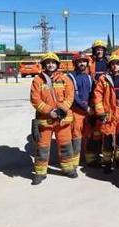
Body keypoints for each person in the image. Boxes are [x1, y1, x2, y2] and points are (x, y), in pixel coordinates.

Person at [30, 52, 76, 185]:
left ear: (57, 64)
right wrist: (50, 111)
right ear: (44, 65)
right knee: (42, 147)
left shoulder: (65, 79)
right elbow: (35, 99)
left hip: (63, 120)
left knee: (66, 146)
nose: (50, 65)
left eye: (53, 62)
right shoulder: (37, 80)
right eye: (48, 62)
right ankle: (40, 173)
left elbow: (70, 96)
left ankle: (68, 169)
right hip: (45, 121)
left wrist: (61, 110)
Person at [90, 55, 119, 173]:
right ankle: (107, 162)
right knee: (107, 139)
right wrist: (100, 112)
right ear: (109, 66)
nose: (115, 66)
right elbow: (97, 96)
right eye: (112, 64)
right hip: (108, 113)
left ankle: (118, 160)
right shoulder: (103, 79)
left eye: (117, 63)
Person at [67, 52, 93, 170]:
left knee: (87, 135)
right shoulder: (70, 77)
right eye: (79, 61)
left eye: (84, 61)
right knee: (76, 136)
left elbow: (92, 94)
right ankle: (74, 162)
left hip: (88, 112)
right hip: (76, 111)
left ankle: (89, 159)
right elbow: (73, 96)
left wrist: (92, 107)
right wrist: (86, 107)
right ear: (75, 63)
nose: (82, 63)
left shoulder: (88, 77)